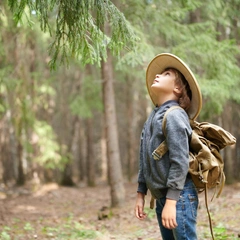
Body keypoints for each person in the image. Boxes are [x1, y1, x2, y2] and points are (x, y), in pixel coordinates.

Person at [135, 53, 202, 240]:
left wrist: (172, 201)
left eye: (166, 74)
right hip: (163, 198)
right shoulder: (152, 118)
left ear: (178, 88)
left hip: (179, 197)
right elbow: (144, 157)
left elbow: (180, 161)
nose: (158, 75)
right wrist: (141, 192)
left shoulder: (174, 115)